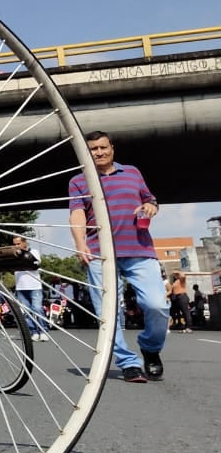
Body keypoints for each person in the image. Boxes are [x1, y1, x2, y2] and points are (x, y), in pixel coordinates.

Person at [68, 130, 169, 383]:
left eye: (103, 147)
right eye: (93, 149)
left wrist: (151, 206)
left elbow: (150, 199)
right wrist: (81, 244)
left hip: (139, 250)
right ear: (86, 153)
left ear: (112, 148)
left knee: (157, 305)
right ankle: (129, 363)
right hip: (101, 255)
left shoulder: (132, 172)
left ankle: (150, 347)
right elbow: (77, 214)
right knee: (109, 315)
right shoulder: (79, 181)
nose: (99, 152)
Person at [11, 235, 48, 341]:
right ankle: (33, 331)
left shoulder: (34, 252)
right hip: (20, 287)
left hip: (34, 286)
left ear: (24, 243)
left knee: (37, 308)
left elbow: (35, 263)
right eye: (14, 244)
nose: (16, 246)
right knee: (25, 311)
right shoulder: (14, 254)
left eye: (18, 244)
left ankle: (43, 330)